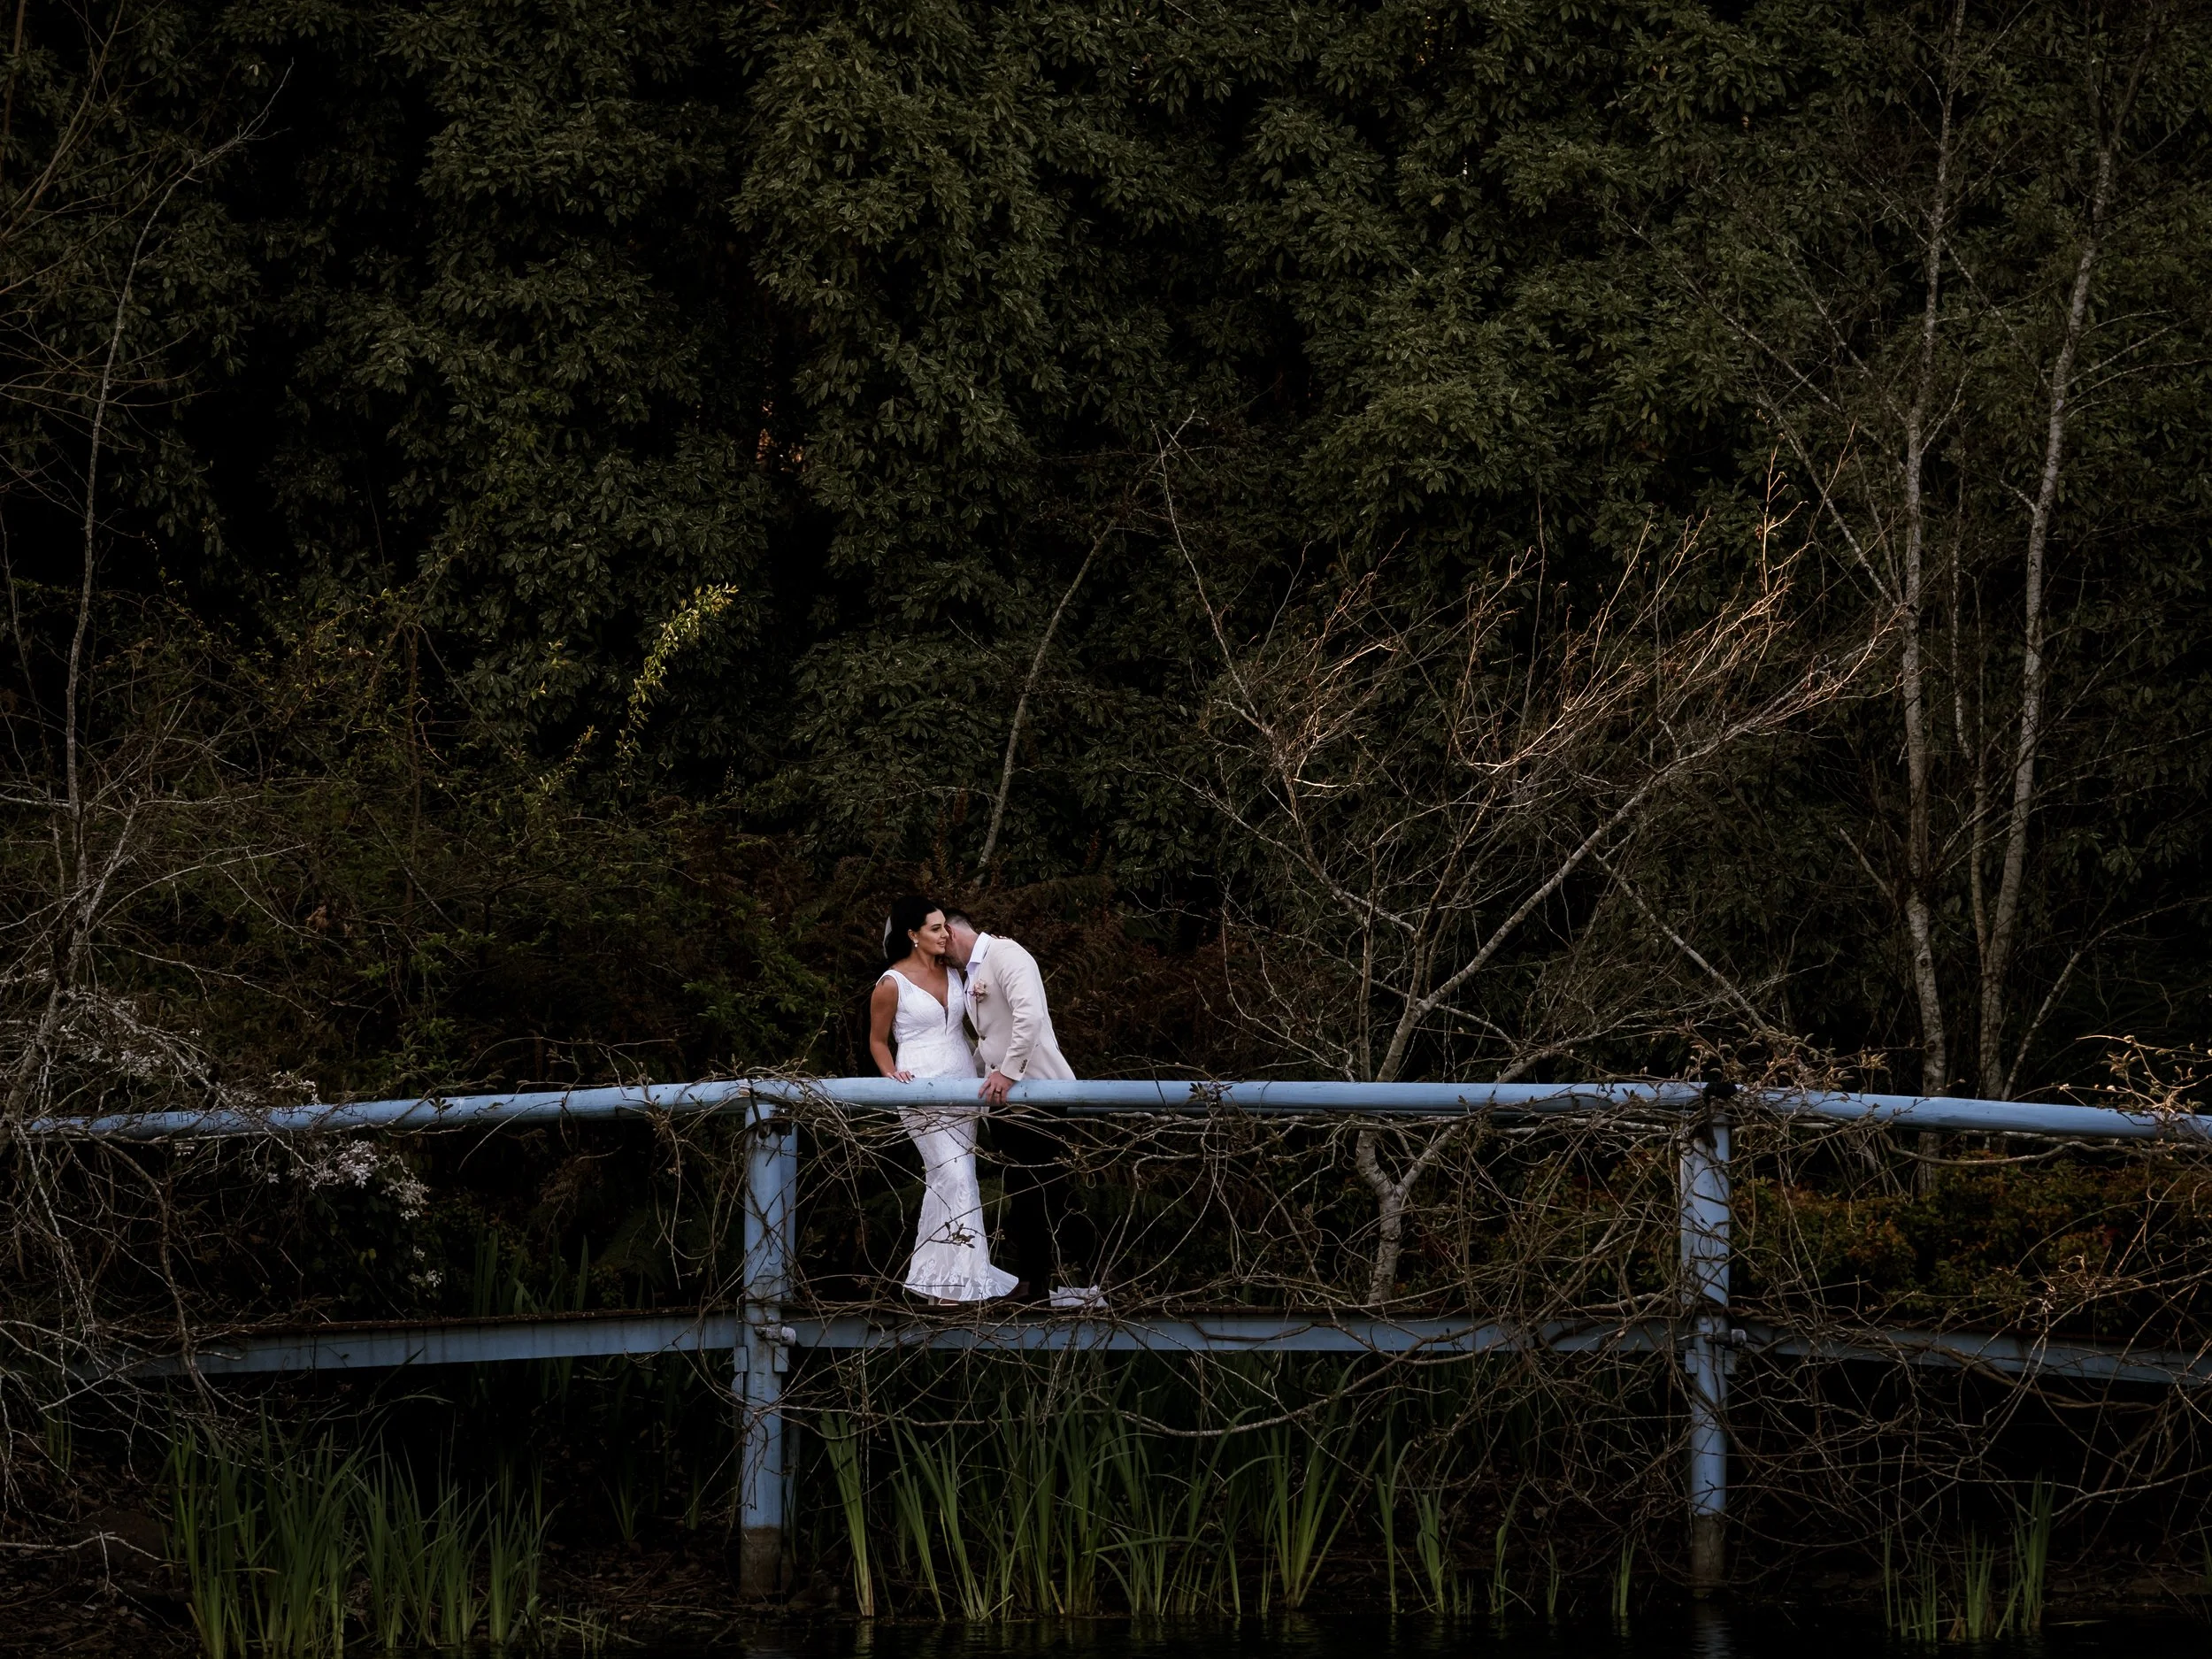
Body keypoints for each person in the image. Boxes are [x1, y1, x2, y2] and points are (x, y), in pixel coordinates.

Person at [941, 910, 1105, 1310]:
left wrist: (1008, 1073)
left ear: (949, 931)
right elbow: (991, 1035)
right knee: (1029, 1193)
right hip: (1006, 1098)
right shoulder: (973, 970)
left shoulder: (1006, 955)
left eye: (936, 938)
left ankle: (1086, 1279)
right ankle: (1040, 1283)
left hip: (1038, 1093)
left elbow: (1030, 1016)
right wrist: (976, 1072)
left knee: (1051, 1192)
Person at [868, 896, 1018, 1304]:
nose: (945, 934)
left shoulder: (956, 973)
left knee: (946, 1179)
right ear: (912, 936)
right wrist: (889, 1074)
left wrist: (1000, 948)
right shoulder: (890, 984)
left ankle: (937, 1282)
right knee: (955, 1176)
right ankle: (961, 1287)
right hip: (919, 1089)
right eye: (935, 929)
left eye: (945, 927)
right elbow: (878, 1042)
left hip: (962, 1086)